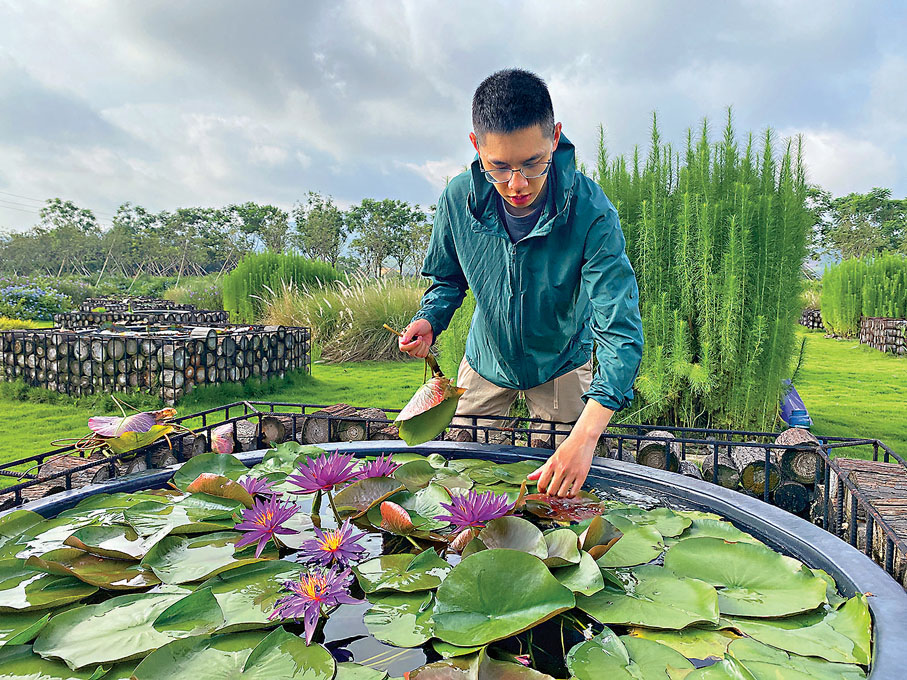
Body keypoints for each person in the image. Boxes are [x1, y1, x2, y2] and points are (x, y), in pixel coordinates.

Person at [398, 68, 643, 498]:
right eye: (499, 167)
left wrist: (583, 440)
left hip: (562, 361)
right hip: (487, 358)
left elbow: (620, 330)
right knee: (458, 484)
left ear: (555, 137)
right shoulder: (457, 200)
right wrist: (430, 319)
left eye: (533, 163)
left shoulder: (591, 210)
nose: (516, 185)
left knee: (564, 494)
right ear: (476, 146)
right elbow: (447, 278)